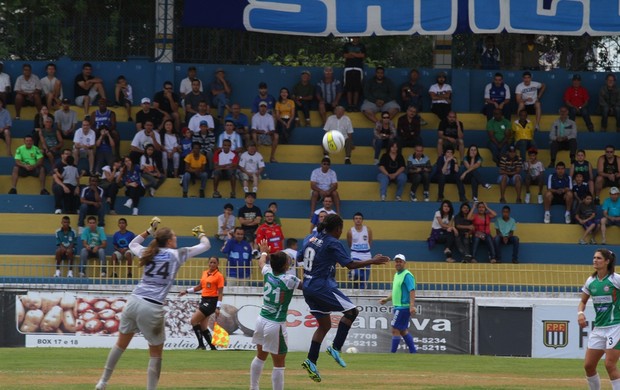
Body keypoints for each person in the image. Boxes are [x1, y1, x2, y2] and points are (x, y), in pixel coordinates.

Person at [95, 220, 212, 390]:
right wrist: (200, 233)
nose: (176, 239)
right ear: (169, 242)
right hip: (152, 306)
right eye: (174, 237)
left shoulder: (148, 252)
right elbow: (206, 246)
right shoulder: (176, 254)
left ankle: (103, 382)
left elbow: (132, 244)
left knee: (120, 345)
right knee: (156, 354)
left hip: (134, 300)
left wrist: (149, 230)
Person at [299, 214, 389, 383]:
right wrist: (373, 261)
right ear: (338, 229)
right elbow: (350, 264)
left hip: (308, 287)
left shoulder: (311, 237)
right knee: (352, 311)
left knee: (324, 325)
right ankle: (335, 347)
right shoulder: (333, 242)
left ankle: (311, 361)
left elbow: (298, 258)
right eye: (341, 229)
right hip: (322, 287)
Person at [250, 240, 302, 390]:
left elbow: (261, 262)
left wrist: (264, 252)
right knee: (279, 365)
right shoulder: (290, 280)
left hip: (261, 319)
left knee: (260, 357)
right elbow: (308, 288)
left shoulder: (268, 271)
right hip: (276, 324)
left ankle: (253, 387)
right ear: (286, 266)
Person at [577, 249, 620, 390]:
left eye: (599, 258)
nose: (595, 260)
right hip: (599, 328)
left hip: (616, 326)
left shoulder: (615, 279)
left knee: (609, 364)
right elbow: (582, 301)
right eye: (594, 257)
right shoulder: (591, 281)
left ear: (607, 261)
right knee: (588, 366)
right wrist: (580, 313)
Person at [179, 256, 224, 350]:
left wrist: (218, 307)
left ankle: (201, 345)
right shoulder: (205, 273)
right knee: (203, 326)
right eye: (211, 262)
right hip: (204, 300)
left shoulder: (219, 276)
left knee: (193, 320)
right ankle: (213, 348)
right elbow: (199, 287)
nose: (212, 264)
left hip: (211, 301)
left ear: (217, 264)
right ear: (208, 263)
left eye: (214, 263)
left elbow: (220, 293)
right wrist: (186, 291)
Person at [379, 253, 417, 353]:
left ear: (404, 263)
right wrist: (387, 299)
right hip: (398, 306)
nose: (398, 263)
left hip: (403, 307)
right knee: (403, 330)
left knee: (395, 329)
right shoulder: (397, 275)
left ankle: (392, 353)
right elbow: (396, 292)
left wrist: (412, 306)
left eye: (400, 261)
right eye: (396, 261)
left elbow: (412, 290)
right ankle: (413, 352)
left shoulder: (407, 275)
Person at [347, 212, 373, 289]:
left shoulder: (367, 230)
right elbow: (349, 243)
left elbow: (370, 242)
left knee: (364, 279)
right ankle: (351, 275)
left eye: (360, 218)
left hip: (366, 255)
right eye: (356, 218)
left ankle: (360, 290)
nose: (358, 220)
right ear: (353, 220)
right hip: (355, 255)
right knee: (356, 273)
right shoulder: (350, 231)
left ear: (362, 220)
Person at [342, 37, 366, 112]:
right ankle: (349, 105)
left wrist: (352, 54)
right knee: (348, 88)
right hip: (348, 68)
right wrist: (357, 54)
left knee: (357, 88)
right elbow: (345, 56)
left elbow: (362, 56)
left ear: (359, 38)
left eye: (357, 37)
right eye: (354, 37)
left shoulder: (362, 45)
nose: (355, 38)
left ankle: (355, 105)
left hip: (358, 68)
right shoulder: (347, 45)